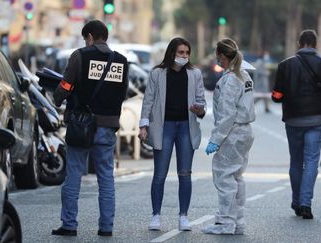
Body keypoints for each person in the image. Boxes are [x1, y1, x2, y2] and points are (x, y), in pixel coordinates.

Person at [51, 20, 129, 237]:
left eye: (86, 38)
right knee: (106, 177)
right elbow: (122, 93)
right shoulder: (121, 62)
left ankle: (69, 225)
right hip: (107, 126)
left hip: (81, 125)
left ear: (90, 37)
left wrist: (57, 97)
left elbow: (66, 85)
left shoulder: (80, 55)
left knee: (74, 173)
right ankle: (106, 227)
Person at [272, 29, 321, 219]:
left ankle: (296, 201)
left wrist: (280, 96)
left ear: (299, 43)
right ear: (316, 44)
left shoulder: (284, 66)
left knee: (296, 162)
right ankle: (305, 204)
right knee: (311, 161)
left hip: (293, 120)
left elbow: (277, 96)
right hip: (317, 120)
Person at [138, 37, 206, 231]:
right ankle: (156, 215)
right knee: (159, 174)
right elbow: (148, 100)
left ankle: (184, 216)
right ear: (172, 53)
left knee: (185, 174)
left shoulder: (195, 74)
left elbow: (201, 101)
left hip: (186, 126)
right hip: (164, 127)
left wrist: (200, 110)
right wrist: (143, 125)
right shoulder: (158, 73)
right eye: (180, 52)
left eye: (186, 53)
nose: (184, 56)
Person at [201, 38, 255, 235]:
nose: (217, 61)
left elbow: (227, 114)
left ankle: (226, 222)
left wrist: (216, 139)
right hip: (244, 131)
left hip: (233, 133)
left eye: (218, 57)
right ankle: (237, 222)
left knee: (224, 178)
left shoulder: (231, 79)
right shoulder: (244, 74)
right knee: (236, 177)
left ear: (223, 56)